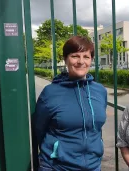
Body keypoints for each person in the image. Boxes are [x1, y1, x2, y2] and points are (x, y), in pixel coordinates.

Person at [33, 36, 107, 171]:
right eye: (75, 56)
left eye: (86, 56)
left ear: (91, 60)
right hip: (57, 166)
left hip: (92, 166)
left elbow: (96, 128)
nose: (81, 61)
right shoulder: (50, 93)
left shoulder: (100, 91)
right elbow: (39, 129)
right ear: (66, 59)